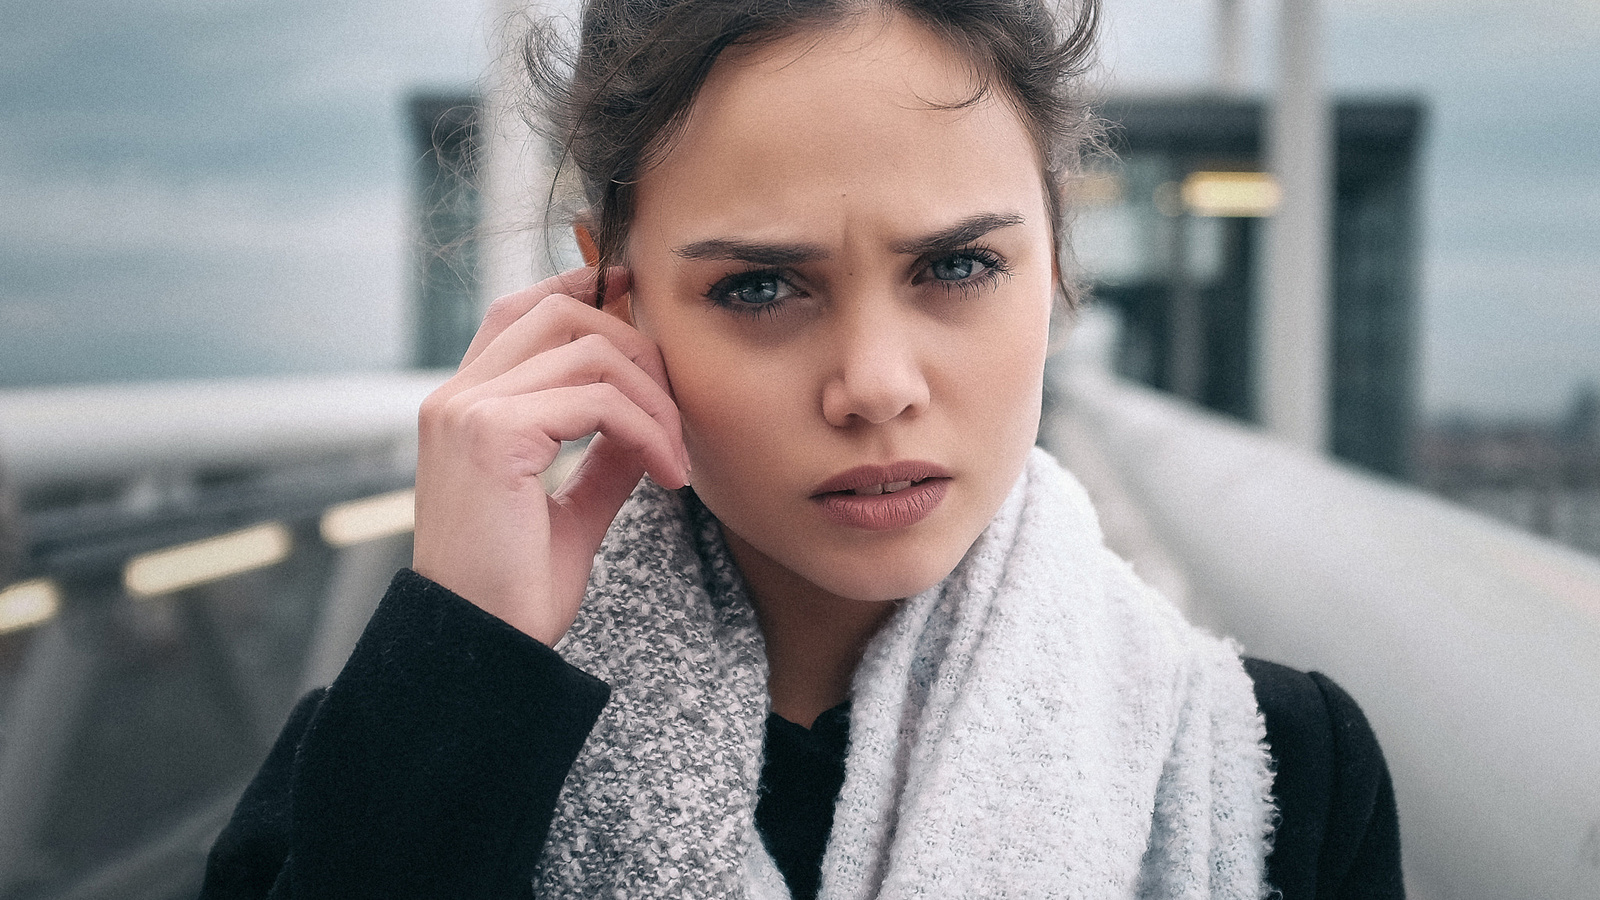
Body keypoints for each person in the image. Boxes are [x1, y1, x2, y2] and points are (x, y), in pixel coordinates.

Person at [201, 0, 1403, 897]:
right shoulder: (390, 762)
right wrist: (462, 662)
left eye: (957, 265)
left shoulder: (1288, 775)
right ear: (616, 301)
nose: (875, 387)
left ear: (1056, 264)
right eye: (762, 285)